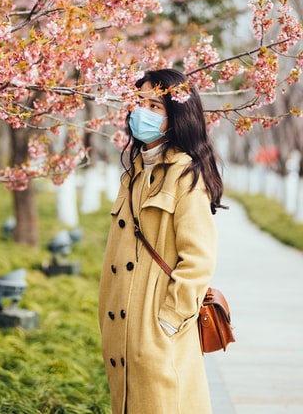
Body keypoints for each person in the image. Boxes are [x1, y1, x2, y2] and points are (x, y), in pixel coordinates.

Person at [98, 68, 224, 414]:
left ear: (177, 118)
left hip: (156, 331)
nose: (143, 112)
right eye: (139, 103)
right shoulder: (135, 171)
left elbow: (198, 260)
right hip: (122, 328)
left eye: (156, 106)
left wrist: (166, 321)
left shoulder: (185, 174)